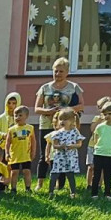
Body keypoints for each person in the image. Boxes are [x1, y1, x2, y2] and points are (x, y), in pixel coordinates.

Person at [33, 58, 83, 193]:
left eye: (61, 71)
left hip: (65, 126)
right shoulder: (45, 88)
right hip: (46, 124)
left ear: (67, 72)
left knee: (62, 153)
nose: (58, 74)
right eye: (56, 71)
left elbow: (81, 105)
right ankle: (40, 183)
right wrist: (48, 111)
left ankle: (59, 185)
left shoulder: (74, 87)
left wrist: (66, 111)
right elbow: (37, 108)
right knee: (45, 154)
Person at [89, 101, 111, 199]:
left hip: (110, 154)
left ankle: (107, 193)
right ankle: (94, 193)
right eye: (105, 114)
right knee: (96, 175)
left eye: (110, 113)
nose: (107, 116)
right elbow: (95, 137)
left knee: (108, 175)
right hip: (99, 153)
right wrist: (98, 147)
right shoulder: (100, 126)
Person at [47, 108, 83, 198]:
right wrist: (61, 146)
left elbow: (79, 144)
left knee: (70, 175)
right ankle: (51, 192)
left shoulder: (75, 131)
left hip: (70, 157)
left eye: (65, 119)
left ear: (72, 120)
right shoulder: (58, 133)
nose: (62, 121)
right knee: (54, 174)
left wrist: (73, 146)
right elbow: (54, 145)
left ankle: (73, 192)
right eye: (60, 119)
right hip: (59, 157)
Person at [5, 106, 35, 194]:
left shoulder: (30, 128)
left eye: (20, 115)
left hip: (26, 154)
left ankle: (28, 188)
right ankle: (13, 189)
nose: (17, 117)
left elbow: (33, 141)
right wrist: (7, 153)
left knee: (27, 171)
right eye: (15, 115)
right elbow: (7, 143)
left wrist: (33, 152)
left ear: (26, 116)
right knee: (14, 172)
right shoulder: (11, 130)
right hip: (15, 155)